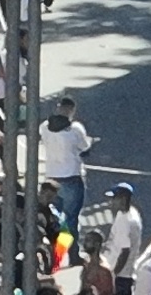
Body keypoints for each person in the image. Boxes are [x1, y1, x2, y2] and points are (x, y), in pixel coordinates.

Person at [39, 95, 93, 234]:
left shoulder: (44, 127)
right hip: (71, 178)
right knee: (70, 220)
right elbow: (85, 149)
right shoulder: (75, 129)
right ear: (72, 110)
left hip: (52, 178)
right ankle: (68, 253)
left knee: (54, 218)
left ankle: (53, 250)